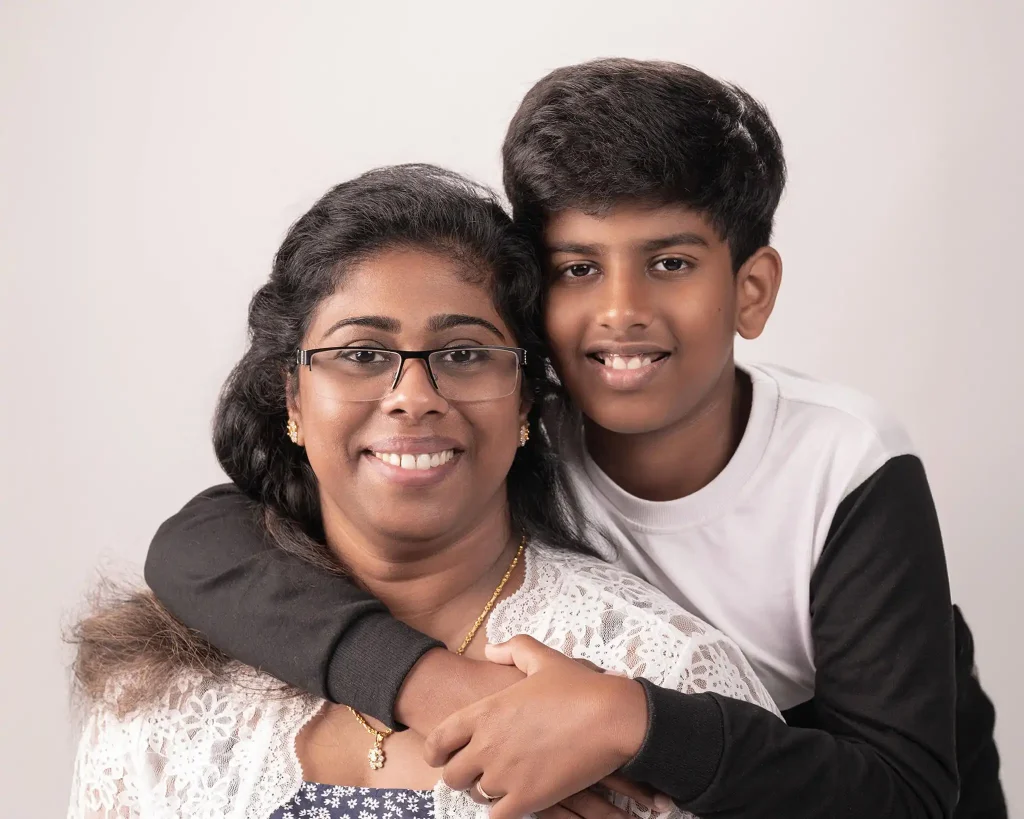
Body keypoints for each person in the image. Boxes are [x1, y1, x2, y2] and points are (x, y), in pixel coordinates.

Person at [143, 60, 1005, 819]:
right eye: (578, 268)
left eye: (670, 263)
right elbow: (197, 546)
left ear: (751, 290)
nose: (620, 310)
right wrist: (440, 686)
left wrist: (628, 718)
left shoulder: (841, 464)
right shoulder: (506, 421)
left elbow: (907, 792)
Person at [66, 164, 780, 819]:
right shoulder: (162, 686)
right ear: (292, 399)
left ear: (526, 400)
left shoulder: (660, 671)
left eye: (464, 354)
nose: (413, 396)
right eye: (361, 354)